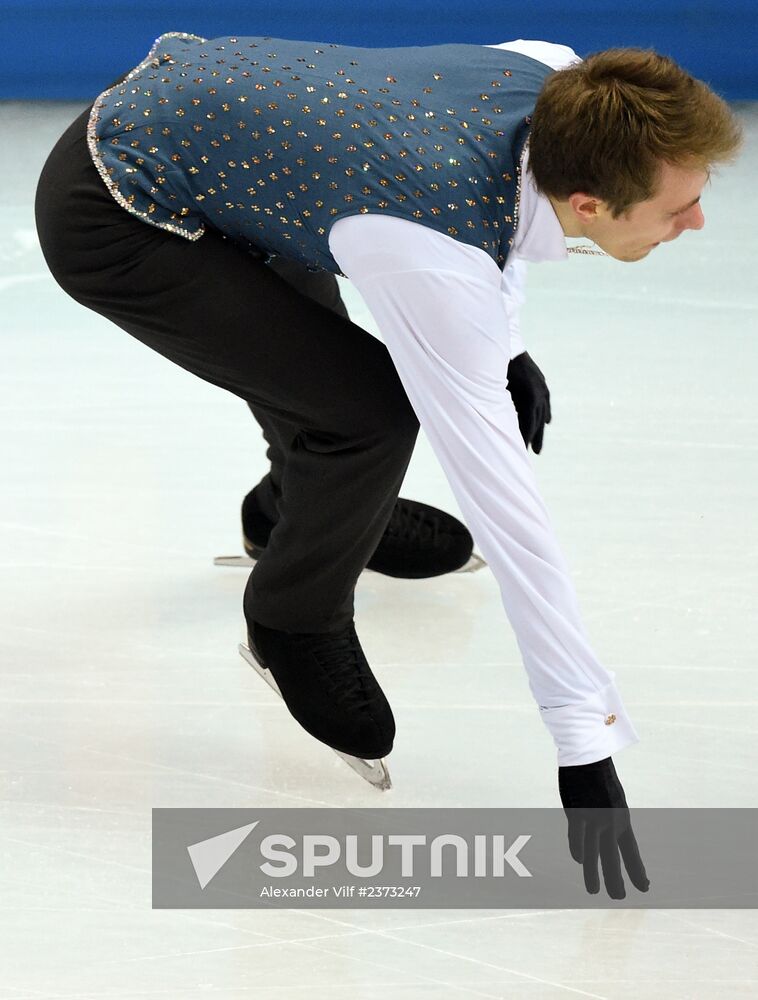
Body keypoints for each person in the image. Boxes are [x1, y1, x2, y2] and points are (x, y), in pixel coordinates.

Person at [34, 32, 742, 897]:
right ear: (591, 203)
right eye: (677, 209)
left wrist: (505, 343)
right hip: (117, 211)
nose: (697, 220)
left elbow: (508, 214)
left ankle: (295, 516)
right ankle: (293, 617)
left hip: (221, 140)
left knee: (323, 371)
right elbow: (510, 514)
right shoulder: (425, 244)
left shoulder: (562, 78)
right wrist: (582, 740)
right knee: (365, 417)